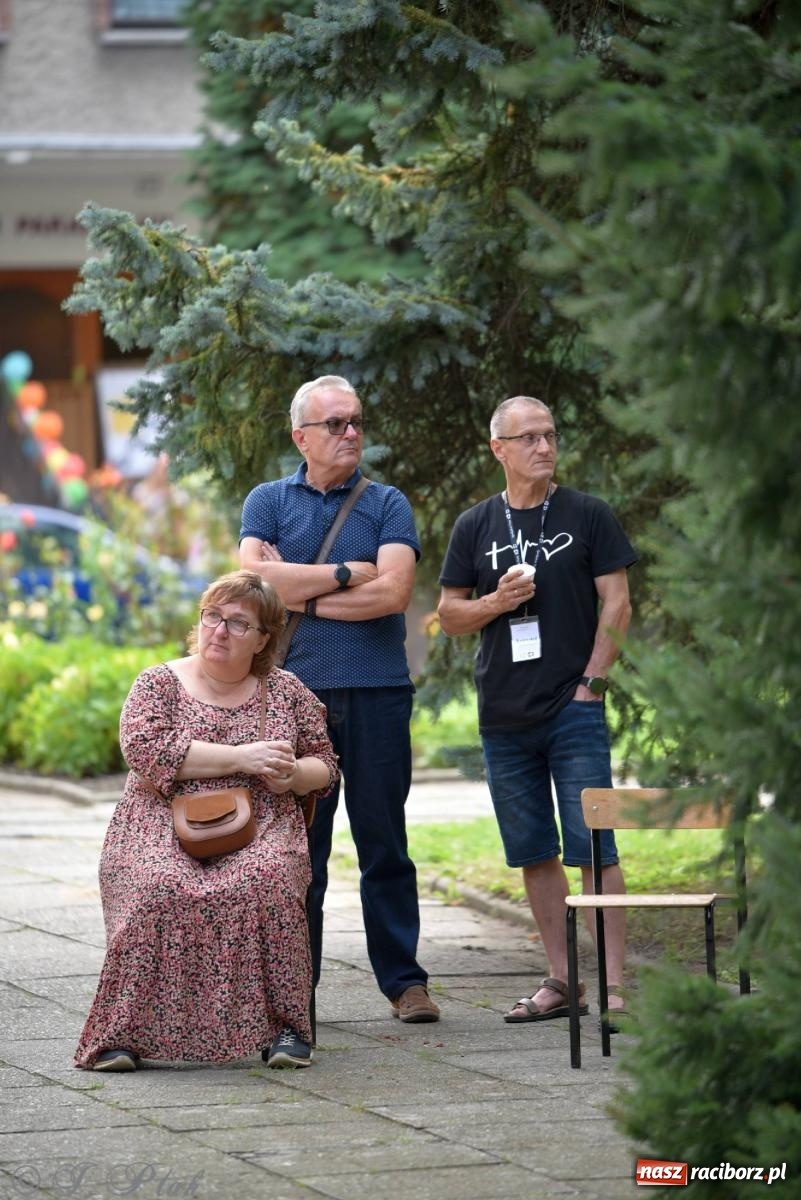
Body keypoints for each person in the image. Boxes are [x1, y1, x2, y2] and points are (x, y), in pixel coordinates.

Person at [74, 569, 339, 1072]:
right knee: (158, 886)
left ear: (264, 639)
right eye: (213, 616)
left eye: (239, 623)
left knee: (267, 882)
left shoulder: (286, 692)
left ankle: (286, 1029)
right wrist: (246, 757)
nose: (219, 630)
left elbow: (324, 766)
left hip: (262, 824)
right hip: (158, 822)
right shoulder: (159, 683)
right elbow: (146, 750)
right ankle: (122, 1036)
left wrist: (290, 776)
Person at [239, 375, 439, 1023]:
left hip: (379, 692)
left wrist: (300, 589)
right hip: (295, 699)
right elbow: (253, 582)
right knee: (302, 852)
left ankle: (404, 983)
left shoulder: (386, 503)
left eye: (355, 421)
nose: (351, 433)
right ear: (301, 436)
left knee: (385, 843)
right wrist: (351, 572)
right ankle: (298, 990)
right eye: (335, 424)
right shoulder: (269, 501)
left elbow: (393, 594)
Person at [437, 396, 636, 1024]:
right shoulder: (475, 525)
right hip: (504, 716)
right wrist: (496, 603)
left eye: (551, 435)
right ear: (499, 449)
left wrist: (593, 685)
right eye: (529, 438)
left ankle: (614, 989)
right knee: (533, 852)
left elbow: (619, 604)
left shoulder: (589, 514)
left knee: (595, 847)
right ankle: (562, 980)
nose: (544, 447)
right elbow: (450, 616)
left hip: (574, 709)